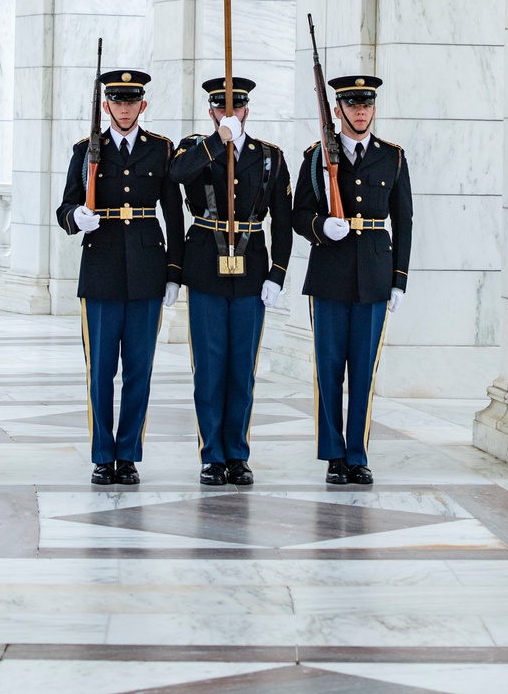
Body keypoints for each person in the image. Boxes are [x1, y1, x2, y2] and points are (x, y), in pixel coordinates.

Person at [58, 68, 183, 486]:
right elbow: (64, 209)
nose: (125, 109)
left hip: (148, 270)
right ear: (107, 105)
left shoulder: (161, 149)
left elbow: (173, 213)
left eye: (132, 102)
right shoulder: (85, 150)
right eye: (117, 101)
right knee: (100, 371)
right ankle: (101, 454)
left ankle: (127, 454)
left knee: (138, 370)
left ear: (142, 105)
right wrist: (77, 217)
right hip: (101, 271)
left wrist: (173, 273)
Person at [170, 76, 292, 485]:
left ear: (247, 110)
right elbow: (176, 176)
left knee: (243, 368)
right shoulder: (194, 148)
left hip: (252, 270)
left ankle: (237, 454)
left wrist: (278, 272)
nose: (230, 114)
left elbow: (284, 222)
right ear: (211, 112)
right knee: (209, 367)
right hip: (205, 267)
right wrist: (216, 141)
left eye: (236, 108)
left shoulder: (269, 156)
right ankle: (212, 455)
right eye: (222, 109)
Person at [292, 74, 412, 485]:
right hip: (329, 273)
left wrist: (399, 279)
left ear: (373, 109)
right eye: (353, 105)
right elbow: (297, 214)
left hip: (375, 275)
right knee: (329, 369)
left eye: (367, 105)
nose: (361, 112)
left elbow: (404, 219)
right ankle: (333, 455)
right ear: (338, 109)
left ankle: (357, 453)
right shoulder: (316, 157)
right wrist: (322, 227)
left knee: (363, 371)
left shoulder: (392, 156)